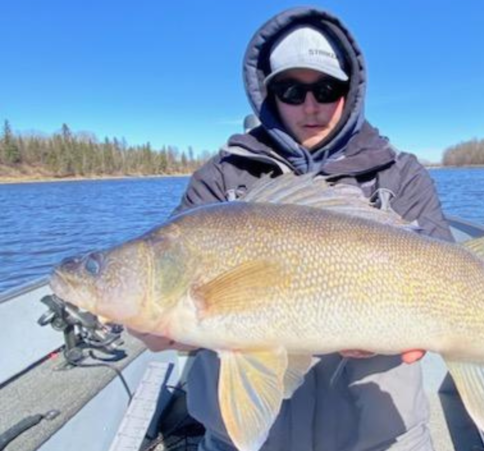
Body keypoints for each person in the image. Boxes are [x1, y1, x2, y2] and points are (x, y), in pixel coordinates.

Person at [134, 6, 454, 451]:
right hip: (243, 439)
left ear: (351, 90)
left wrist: (415, 333)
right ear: (267, 93)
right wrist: (164, 330)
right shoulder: (220, 178)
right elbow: (183, 312)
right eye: (290, 89)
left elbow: (450, 275)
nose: (310, 106)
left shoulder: (402, 175)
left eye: (326, 88)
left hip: (381, 436)